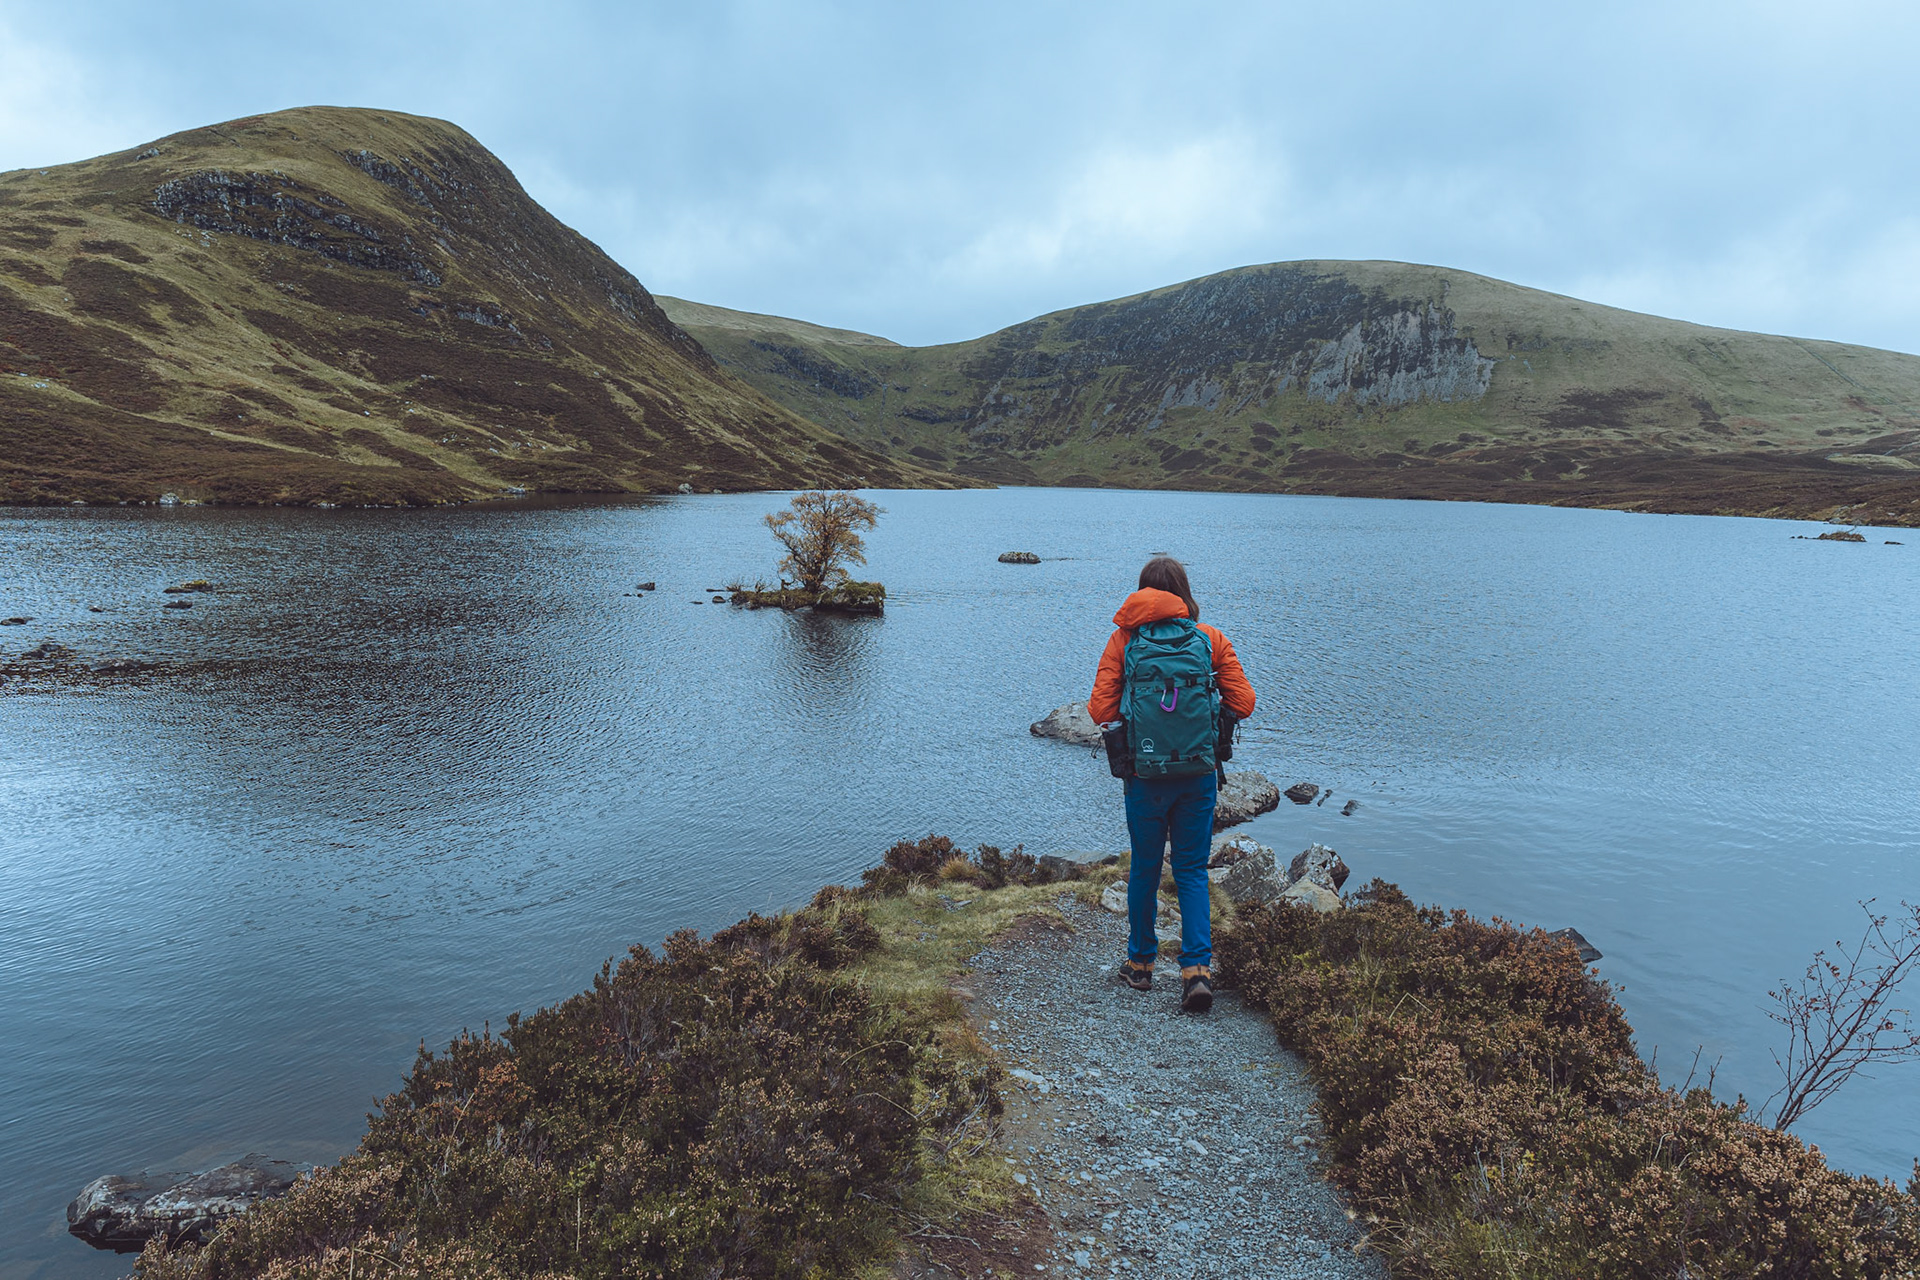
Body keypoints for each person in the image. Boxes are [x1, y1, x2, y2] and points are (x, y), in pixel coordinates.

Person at [1087, 556, 1256, 1013]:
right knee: (1191, 871)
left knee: (1144, 868)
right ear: (1183, 592)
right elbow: (1244, 701)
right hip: (1198, 774)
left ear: (1142, 592)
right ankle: (1196, 971)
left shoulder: (1123, 640)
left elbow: (1100, 711)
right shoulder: (1209, 639)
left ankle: (1141, 965)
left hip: (1145, 777)